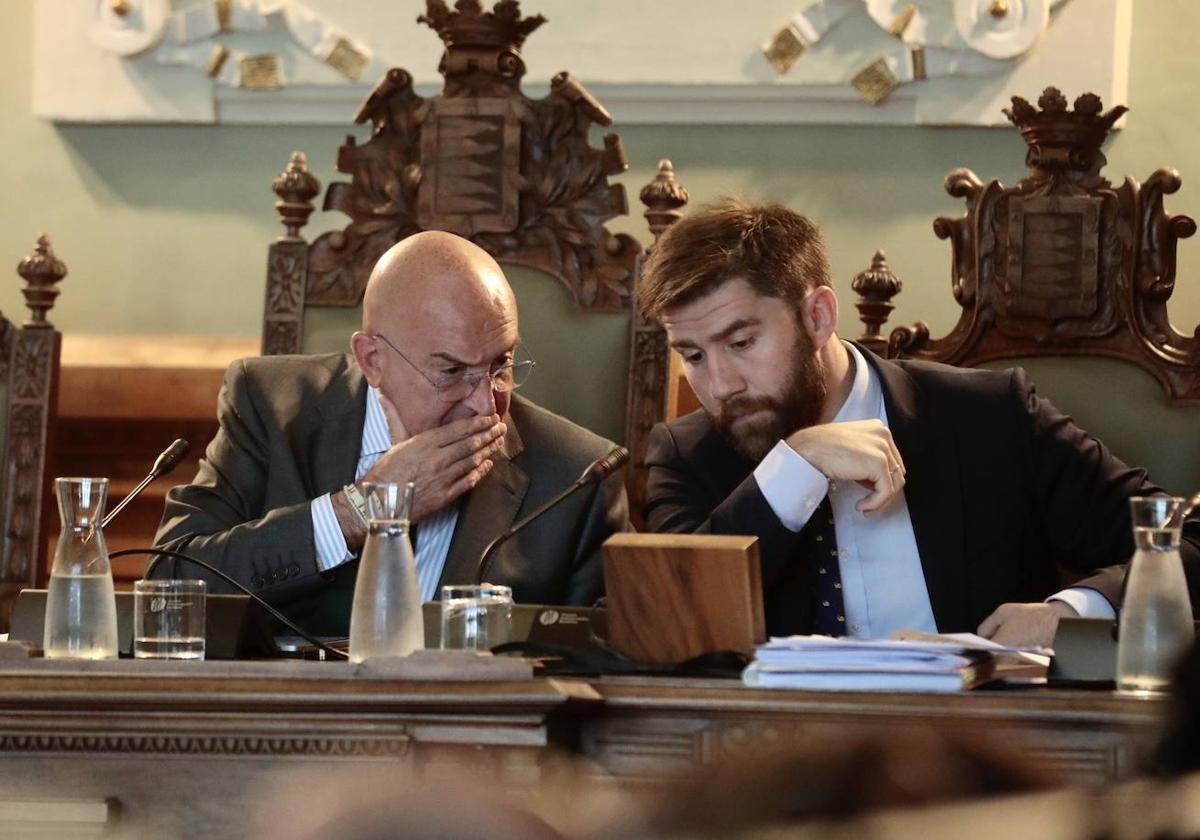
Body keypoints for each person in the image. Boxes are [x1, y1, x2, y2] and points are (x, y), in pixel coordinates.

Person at [637, 199, 1199, 648]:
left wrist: (1072, 613)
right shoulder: (686, 454)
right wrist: (793, 469)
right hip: (771, 767)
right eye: (693, 355)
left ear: (818, 317)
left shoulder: (988, 418)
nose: (719, 385)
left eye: (740, 342)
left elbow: (1186, 542)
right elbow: (668, 626)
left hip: (988, 761)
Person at [156, 231, 628, 634]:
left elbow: (604, 657)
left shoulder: (578, 476)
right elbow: (166, 588)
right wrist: (357, 511)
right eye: (452, 371)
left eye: (501, 364)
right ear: (372, 360)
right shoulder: (270, 408)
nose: (487, 403)